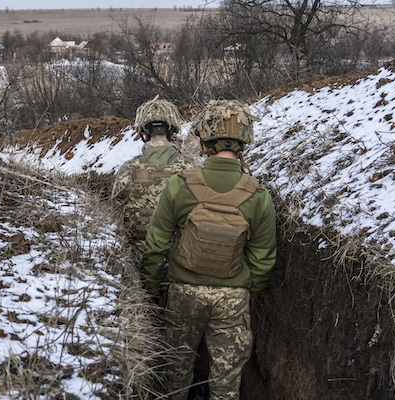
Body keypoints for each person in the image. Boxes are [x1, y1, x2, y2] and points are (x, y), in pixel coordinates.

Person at [140, 100, 276, 400]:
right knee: (226, 381)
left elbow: (157, 242)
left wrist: (150, 284)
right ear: (244, 141)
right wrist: (243, 289)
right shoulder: (258, 194)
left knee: (175, 370)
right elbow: (263, 258)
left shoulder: (181, 184)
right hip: (233, 299)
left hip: (183, 293)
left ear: (204, 140)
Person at [112, 97, 195, 279]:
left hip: (140, 259)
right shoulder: (192, 169)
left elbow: (115, 217)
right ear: (172, 131)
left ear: (144, 132)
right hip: (183, 260)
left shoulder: (129, 169)